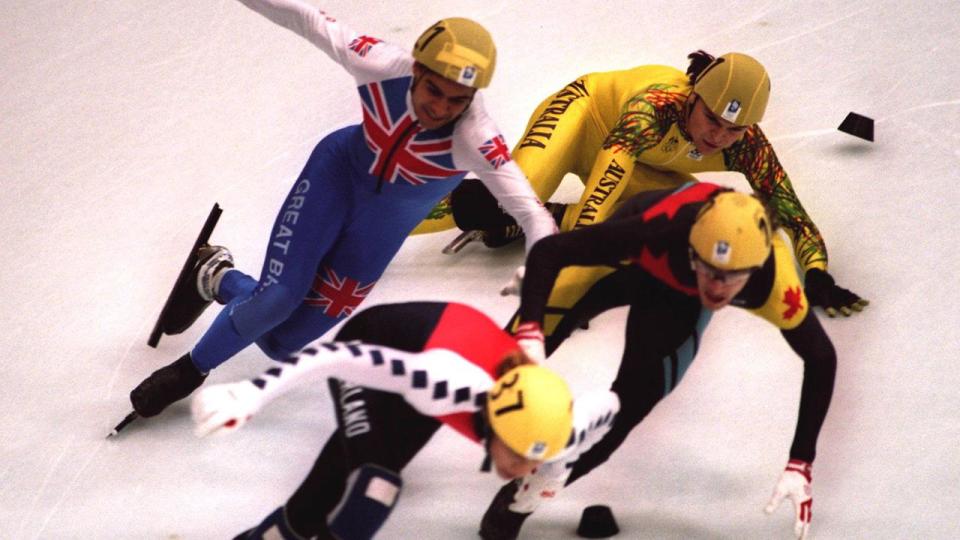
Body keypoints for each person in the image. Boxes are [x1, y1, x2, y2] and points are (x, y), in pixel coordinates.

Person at [125, 0, 557, 422]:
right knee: (278, 298)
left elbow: (536, 218)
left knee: (281, 343)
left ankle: (216, 276)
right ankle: (187, 372)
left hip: (377, 233)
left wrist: (534, 306)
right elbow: (306, 18)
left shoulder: (477, 138)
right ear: (418, 69)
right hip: (335, 177)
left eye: (458, 100)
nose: (442, 109)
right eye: (434, 91)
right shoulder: (381, 64)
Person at [479, 183, 836, 540]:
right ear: (692, 249)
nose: (716, 288)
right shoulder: (660, 230)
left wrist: (800, 461)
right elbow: (549, 252)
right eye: (709, 269)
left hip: (677, 300)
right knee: (500, 366)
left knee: (629, 407)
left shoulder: (773, 284)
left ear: (755, 268)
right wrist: (532, 318)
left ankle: (519, 500)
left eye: (732, 278)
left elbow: (821, 358)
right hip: (634, 259)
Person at [438, 50, 867, 320]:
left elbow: (792, 213)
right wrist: (582, 268)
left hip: (638, 160)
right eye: (712, 120)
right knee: (510, 197)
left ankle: (541, 216)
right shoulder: (657, 107)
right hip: (584, 116)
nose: (718, 137)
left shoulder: (747, 145)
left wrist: (817, 274)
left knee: (699, 224)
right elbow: (606, 181)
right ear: (694, 97)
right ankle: (433, 211)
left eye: (734, 130)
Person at [189, 301, 620, 539]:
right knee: (375, 484)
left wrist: (545, 483)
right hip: (375, 340)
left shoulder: (555, 431)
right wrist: (254, 392)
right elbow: (336, 357)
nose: (522, 470)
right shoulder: (445, 384)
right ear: (497, 425)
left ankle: (277, 533)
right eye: (521, 455)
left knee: (353, 468)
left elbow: (608, 406)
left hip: (438, 346)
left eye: (531, 460)